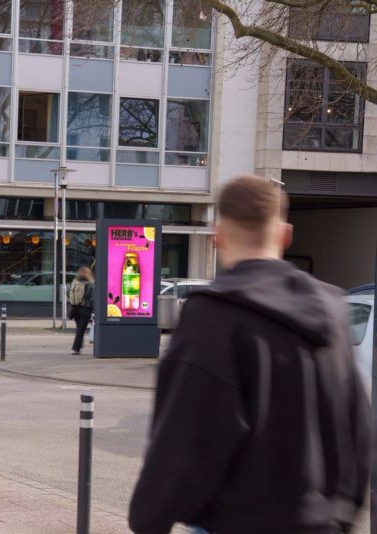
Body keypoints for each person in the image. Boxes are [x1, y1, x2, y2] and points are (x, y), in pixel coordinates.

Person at [128, 176, 370, 533]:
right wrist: (342, 515)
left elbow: (186, 440)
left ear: (217, 237)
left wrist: (149, 517)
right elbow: (359, 428)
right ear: (285, 235)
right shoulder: (334, 311)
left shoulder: (213, 316)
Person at [69, 266, 95, 355]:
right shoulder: (90, 283)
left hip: (76, 309)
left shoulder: (75, 282)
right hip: (86, 309)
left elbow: (70, 295)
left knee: (79, 329)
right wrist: (95, 310)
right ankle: (76, 348)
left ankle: (78, 347)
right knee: (81, 329)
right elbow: (92, 298)